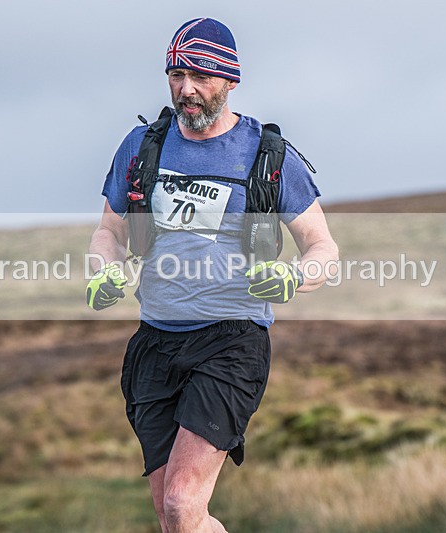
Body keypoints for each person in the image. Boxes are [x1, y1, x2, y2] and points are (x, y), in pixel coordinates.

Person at [86, 17, 339, 533]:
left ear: (229, 80)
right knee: (173, 517)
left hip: (232, 341)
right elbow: (107, 234)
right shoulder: (142, 147)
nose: (187, 90)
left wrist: (294, 279)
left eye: (200, 76)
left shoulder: (268, 156)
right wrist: (105, 273)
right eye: (176, 76)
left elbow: (323, 248)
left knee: (181, 503)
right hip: (155, 342)